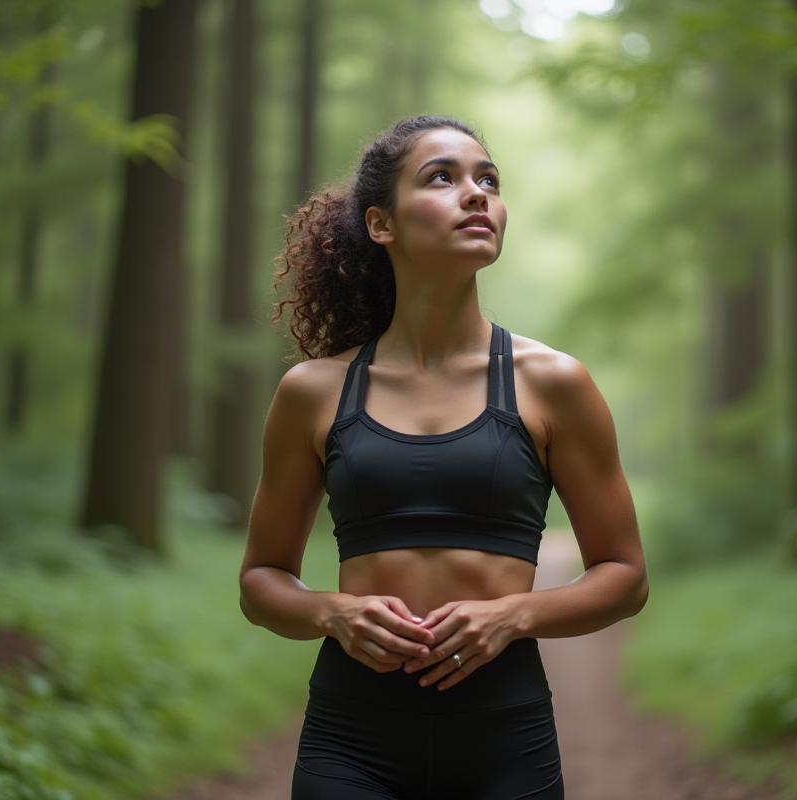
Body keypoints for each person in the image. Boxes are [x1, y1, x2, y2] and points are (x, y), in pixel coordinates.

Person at [239, 115, 647, 800]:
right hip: (351, 739)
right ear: (381, 224)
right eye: (443, 177)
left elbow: (626, 576)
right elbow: (261, 579)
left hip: (505, 739)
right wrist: (332, 612)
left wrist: (513, 615)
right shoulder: (313, 393)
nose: (477, 193)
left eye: (489, 179)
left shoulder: (553, 383)